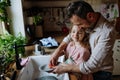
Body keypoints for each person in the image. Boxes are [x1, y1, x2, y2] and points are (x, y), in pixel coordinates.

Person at [49, 1, 117, 80]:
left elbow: (92, 66)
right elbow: (70, 36)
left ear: (90, 16)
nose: (79, 28)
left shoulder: (106, 32)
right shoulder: (88, 22)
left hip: (101, 73)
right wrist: (57, 51)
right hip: (87, 68)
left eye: (79, 24)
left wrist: (65, 68)